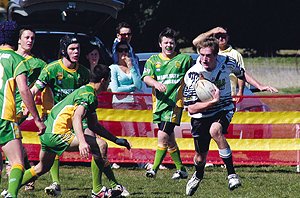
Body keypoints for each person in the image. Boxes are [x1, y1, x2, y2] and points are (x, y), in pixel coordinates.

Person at [20, 64, 131, 198]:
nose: (110, 83)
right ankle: (97, 190)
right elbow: (77, 117)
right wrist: (83, 142)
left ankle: (10, 189)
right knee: (100, 145)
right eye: (109, 80)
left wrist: (116, 140)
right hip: (57, 133)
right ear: (103, 81)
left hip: (47, 132)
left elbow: (94, 125)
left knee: (41, 168)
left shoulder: (86, 92)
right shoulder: (88, 95)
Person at [29, 35, 90, 196]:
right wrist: (24, 104)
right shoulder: (51, 69)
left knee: (98, 145)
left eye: (78, 49)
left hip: (74, 118)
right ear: (64, 51)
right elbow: (34, 90)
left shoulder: (84, 73)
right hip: (53, 118)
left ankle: (102, 187)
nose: (76, 52)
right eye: (72, 49)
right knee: (46, 160)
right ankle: (53, 182)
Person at [184, 37, 243, 196]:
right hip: (201, 115)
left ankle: (232, 175)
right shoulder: (192, 75)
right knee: (200, 157)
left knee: (215, 130)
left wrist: (258, 86)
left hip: (224, 108)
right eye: (201, 55)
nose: (204, 59)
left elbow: (241, 73)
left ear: (216, 55)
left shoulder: (227, 62)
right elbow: (191, 108)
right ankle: (198, 175)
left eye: (208, 55)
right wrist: (212, 102)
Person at [0, 20, 46, 198]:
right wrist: (36, 119)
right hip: (5, 116)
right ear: (15, 38)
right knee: (18, 162)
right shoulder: (17, 60)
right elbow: (24, 90)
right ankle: (11, 194)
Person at [142, 27, 191, 179]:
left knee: (162, 136)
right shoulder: (153, 61)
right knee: (169, 139)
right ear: (160, 44)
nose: (169, 45)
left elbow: (194, 78)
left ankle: (154, 169)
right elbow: (146, 78)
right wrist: (155, 84)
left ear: (175, 44)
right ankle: (181, 169)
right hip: (159, 104)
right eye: (166, 43)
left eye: (171, 42)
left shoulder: (184, 60)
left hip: (175, 104)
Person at [192, 26, 278, 96]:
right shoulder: (206, 50)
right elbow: (196, 42)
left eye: (223, 36)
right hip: (207, 94)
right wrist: (214, 30)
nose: (221, 39)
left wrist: (258, 87)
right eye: (218, 36)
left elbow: (241, 73)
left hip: (227, 96)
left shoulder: (232, 57)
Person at [109, 41, 144, 136]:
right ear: (117, 53)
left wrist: (131, 67)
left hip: (135, 102)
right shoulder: (113, 68)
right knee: (131, 133)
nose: (124, 53)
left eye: (126, 50)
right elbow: (115, 89)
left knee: (142, 132)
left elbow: (139, 85)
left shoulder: (132, 67)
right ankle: (132, 151)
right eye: (121, 50)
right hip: (121, 103)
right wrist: (132, 87)